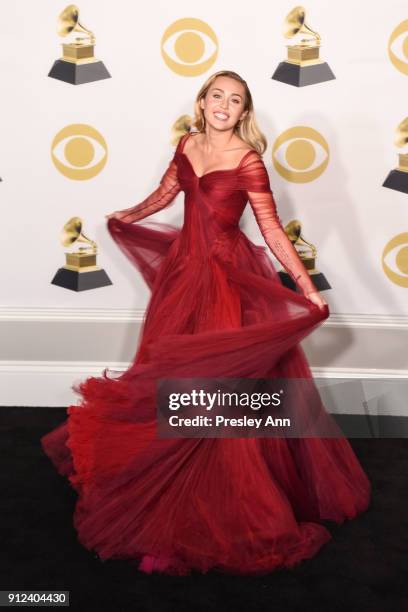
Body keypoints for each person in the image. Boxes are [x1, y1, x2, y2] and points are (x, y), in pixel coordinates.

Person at [41, 70, 371, 576]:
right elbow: (166, 194)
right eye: (217, 95)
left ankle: (211, 511)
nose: (223, 105)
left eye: (234, 100)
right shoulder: (187, 143)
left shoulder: (248, 160)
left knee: (213, 400)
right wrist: (128, 214)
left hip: (225, 283)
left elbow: (270, 229)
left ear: (244, 112)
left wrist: (307, 289)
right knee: (173, 392)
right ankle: (164, 501)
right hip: (183, 278)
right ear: (202, 101)